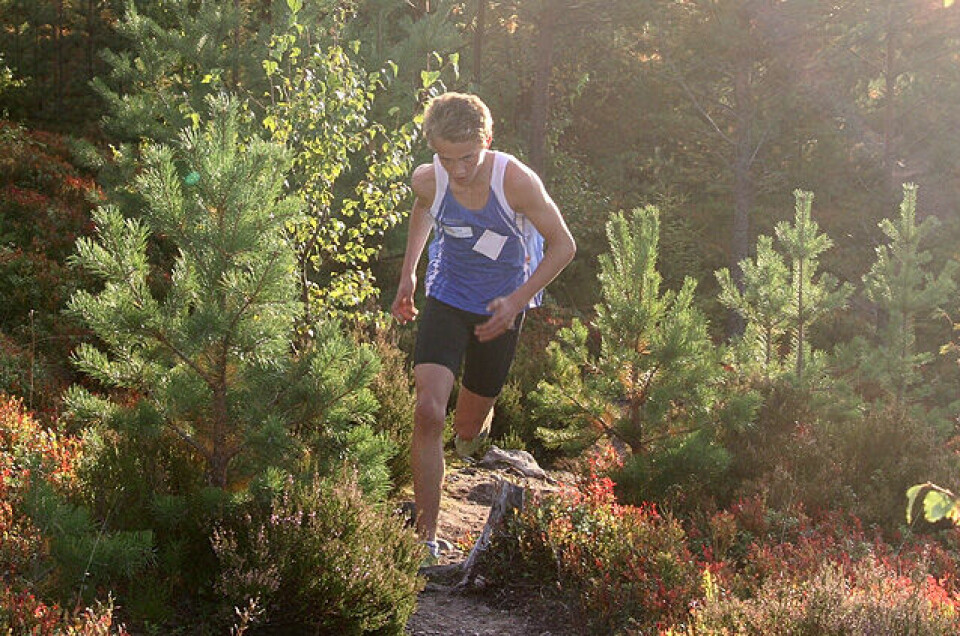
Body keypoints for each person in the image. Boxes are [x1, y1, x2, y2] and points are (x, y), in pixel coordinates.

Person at [391, 92, 576, 563]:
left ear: (487, 140)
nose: (457, 169)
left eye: (467, 157)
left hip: (501, 308)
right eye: (446, 158)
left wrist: (516, 302)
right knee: (429, 411)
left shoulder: (515, 181)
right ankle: (426, 539)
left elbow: (563, 245)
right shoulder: (428, 179)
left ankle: (472, 439)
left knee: (467, 428)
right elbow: (421, 212)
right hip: (448, 298)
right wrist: (408, 273)